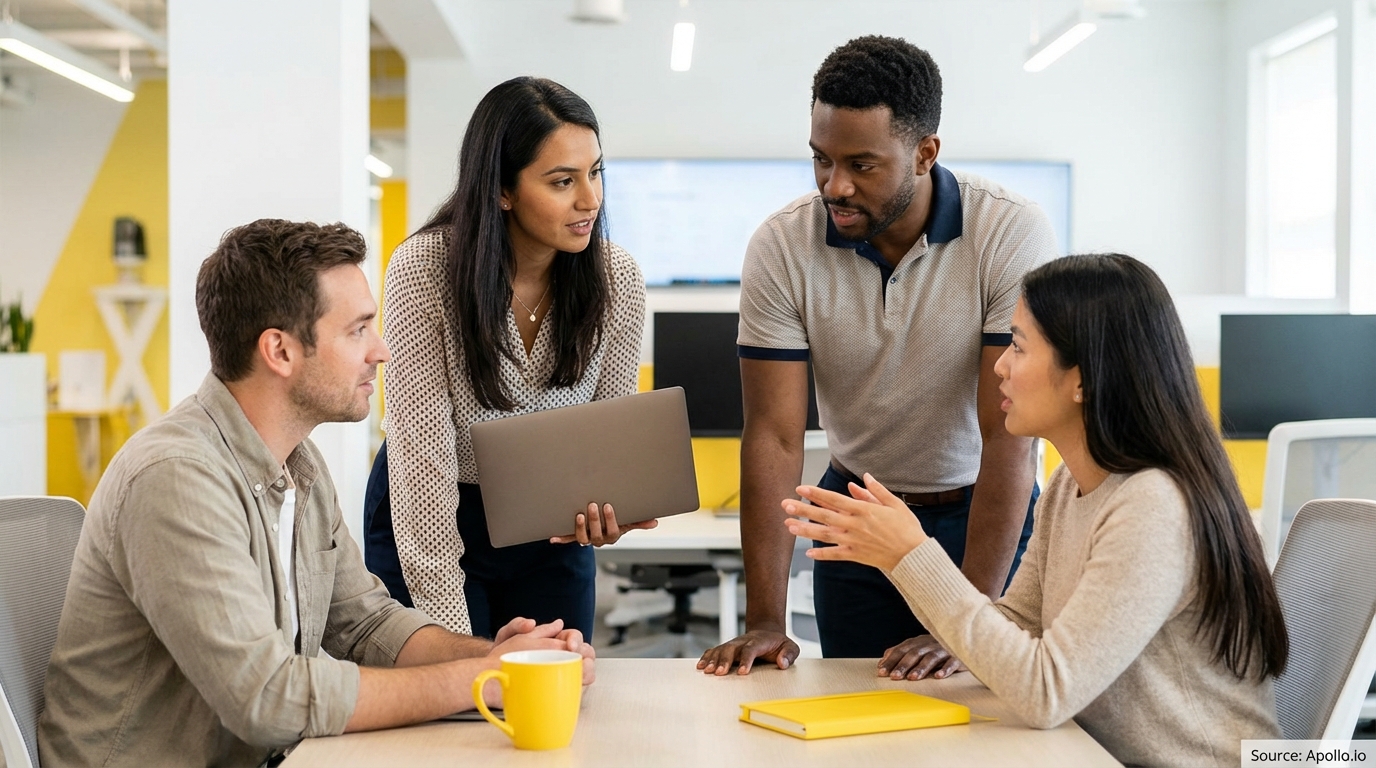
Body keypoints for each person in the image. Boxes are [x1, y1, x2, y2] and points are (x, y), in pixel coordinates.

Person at [38, 220, 595, 767]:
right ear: (279, 351)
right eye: (358, 330)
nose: (381, 351)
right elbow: (267, 699)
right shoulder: (175, 479)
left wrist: (505, 657)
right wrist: (484, 678)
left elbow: (366, 621)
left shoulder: (298, 465)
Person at [784, 253, 1287, 767]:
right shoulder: (1072, 483)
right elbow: (1019, 622)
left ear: (1084, 379)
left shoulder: (1154, 505)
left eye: (1019, 347)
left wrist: (909, 554)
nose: (1000, 364)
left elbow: (1046, 691)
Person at [698, 36, 1057, 675]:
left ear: (925, 154)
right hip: (860, 515)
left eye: (862, 165)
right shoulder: (783, 245)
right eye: (821, 160)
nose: (834, 186)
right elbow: (775, 438)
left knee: (985, 714)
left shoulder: (1007, 230)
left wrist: (968, 618)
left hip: (982, 509)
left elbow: (1009, 436)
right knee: (858, 711)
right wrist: (764, 620)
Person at [364, 76, 649, 641]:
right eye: (563, 181)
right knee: (449, 710)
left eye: (595, 173)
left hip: (548, 525)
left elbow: (606, 442)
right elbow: (423, 463)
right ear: (502, 189)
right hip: (431, 507)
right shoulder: (425, 270)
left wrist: (607, 509)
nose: (590, 199)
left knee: (555, 697)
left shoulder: (617, 279)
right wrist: (459, 648)